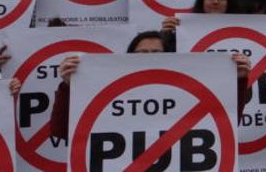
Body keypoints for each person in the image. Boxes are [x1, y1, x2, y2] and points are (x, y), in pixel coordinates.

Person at [49, 31, 251, 139]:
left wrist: (239, 81)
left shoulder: (185, 94)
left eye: (157, 54)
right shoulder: (111, 95)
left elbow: (225, 123)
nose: (149, 59)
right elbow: (61, 131)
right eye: (142, 54)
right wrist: (69, 86)